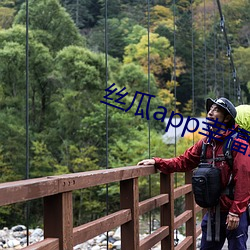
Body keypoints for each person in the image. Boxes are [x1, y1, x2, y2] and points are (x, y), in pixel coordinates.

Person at [138, 97, 250, 250]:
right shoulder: (205, 143)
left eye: (216, 110)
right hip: (213, 211)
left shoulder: (239, 144)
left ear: (227, 117)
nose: (210, 113)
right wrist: (157, 162)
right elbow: (184, 161)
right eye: (210, 109)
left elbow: (244, 179)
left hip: (233, 211)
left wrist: (236, 212)